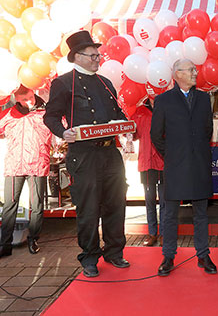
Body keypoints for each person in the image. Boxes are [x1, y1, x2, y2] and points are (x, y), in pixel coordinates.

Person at [44, 30, 129, 278]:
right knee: (89, 208)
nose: (97, 59)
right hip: (83, 155)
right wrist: (63, 131)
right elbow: (50, 116)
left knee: (116, 204)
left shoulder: (106, 83)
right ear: (77, 56)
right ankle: (90, 256)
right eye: (92, 55)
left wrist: (126, 127)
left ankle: (115, 251)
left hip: (110, 153)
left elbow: (118, 114)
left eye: (98, 54)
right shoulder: (63, 83)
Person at [151, 58, 216, 277]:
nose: (195, 72)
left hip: (199, 163)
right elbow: (155, 135)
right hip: (175, 166)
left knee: (201, 213)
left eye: (195, 69)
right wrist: (171, 155)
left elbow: (207, 130)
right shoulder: (163, 101)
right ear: (177, 74)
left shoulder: (204, 99)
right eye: (191, 70)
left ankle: (203, 255)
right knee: (170, 214)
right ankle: (168, 255)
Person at [0, 86, 52, 257]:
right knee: (9, 205)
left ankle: (33, 239)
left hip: (37, 164)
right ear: (16, 99)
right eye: (25, 99)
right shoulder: (8, 115)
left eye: (31, 97)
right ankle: (5, 243)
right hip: (15, 165)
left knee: (36, 205)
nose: (30, 101)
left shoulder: (45, 114)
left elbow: (63, 126)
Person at [131, 97, 165, 247]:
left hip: (164, 161)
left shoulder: (166, 108)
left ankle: (165, 233)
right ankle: (152, 233)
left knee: (165, 200)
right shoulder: (139, 111)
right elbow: (133, 135)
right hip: (146, 162)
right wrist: (127, 131)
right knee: (149, 199)